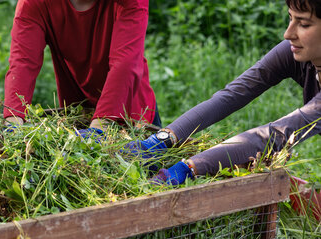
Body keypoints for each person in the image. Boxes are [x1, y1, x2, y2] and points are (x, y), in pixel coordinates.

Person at [123, 0, 321, 185]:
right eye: (290, 17)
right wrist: (159, 141)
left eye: (303, 24)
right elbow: (233, 94)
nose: (288, 34)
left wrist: (188, 168)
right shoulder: (293, 52)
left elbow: (276, 133)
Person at [3, 0, 160, 136]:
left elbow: (125, 63)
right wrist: (13, 122)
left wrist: (99, 128)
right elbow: (22, 62)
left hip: (133, 120)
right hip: (78, 116)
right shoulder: (35, 3)